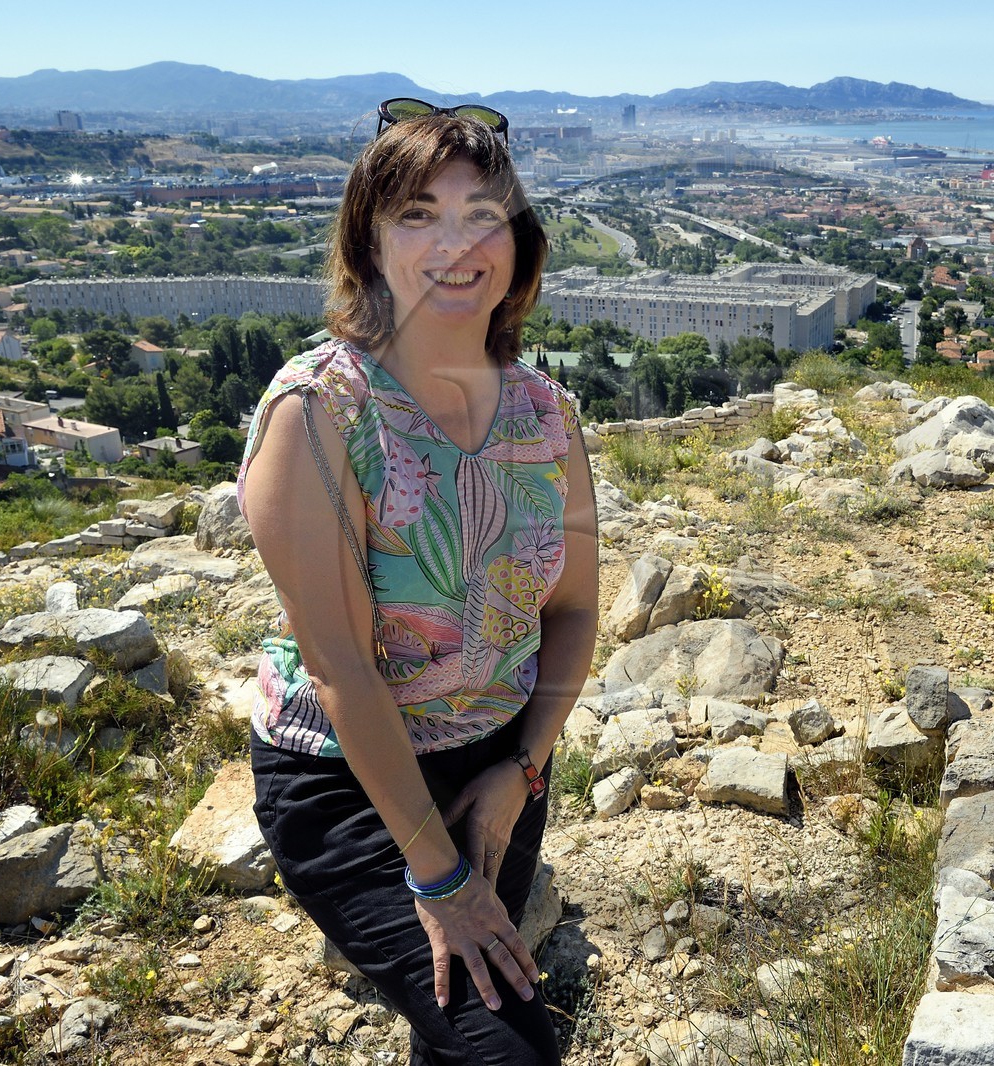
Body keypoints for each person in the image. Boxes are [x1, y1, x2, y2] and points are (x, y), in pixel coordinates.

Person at [237, 102, 597, 1065]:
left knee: (452, 1031)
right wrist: (440, 882)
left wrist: (520, 771)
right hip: (347, 778)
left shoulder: (544, 412)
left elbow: (573, 609)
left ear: (519, 243)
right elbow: (343, 666)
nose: (456, 243)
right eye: (417, 214)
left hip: (499, 766)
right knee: (507, 1048)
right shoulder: (320, 413)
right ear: (367, 241)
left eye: (484, 213)